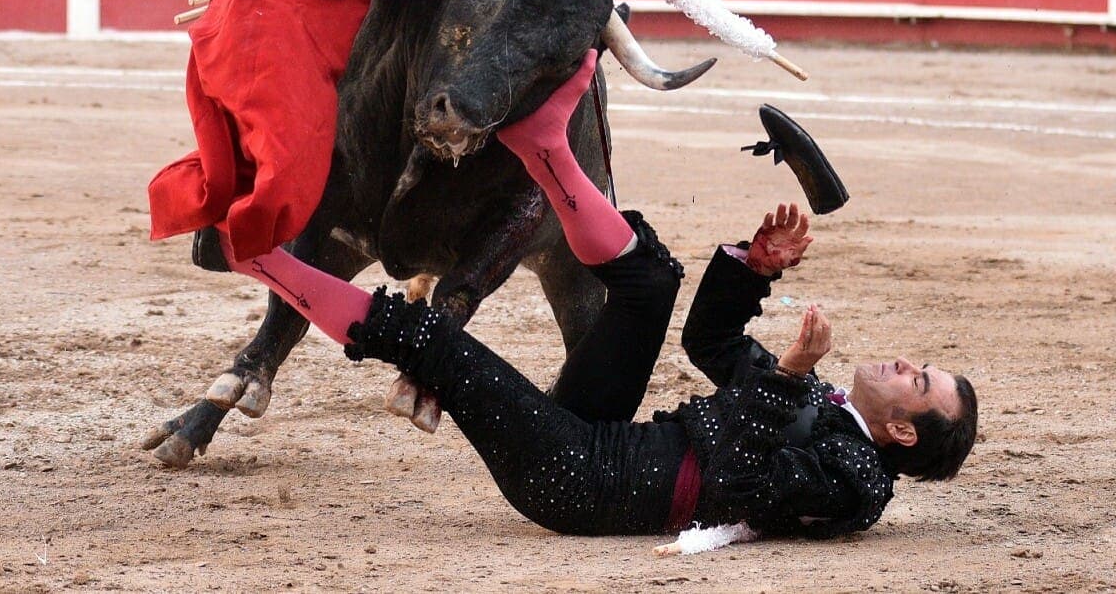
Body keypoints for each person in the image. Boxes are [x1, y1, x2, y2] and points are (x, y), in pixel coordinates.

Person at [210, 50, 978, 545]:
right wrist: (754, 267)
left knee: (428, 339)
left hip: (579, 480)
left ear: (905, 434)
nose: (909, 364)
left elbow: (744, 488)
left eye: (920, 381)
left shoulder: (862, 480)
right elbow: (706, 344)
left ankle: (259, 254)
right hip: (613, 442)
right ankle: (547, 147)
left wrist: (781, 376)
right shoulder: (828, 406)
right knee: (652, 283)